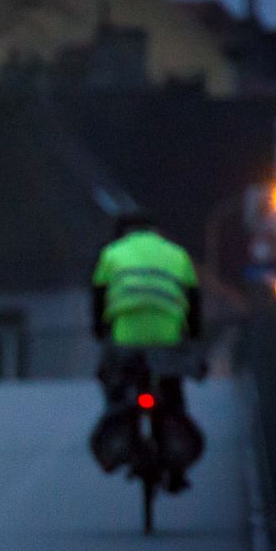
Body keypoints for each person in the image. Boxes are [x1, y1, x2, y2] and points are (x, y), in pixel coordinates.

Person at [90, 210, 204, 493]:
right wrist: (190, 333)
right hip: (167, 335)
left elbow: (98, 298)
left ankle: (120, 434)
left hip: (126, 335)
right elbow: (193, 300)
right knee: (172, 391)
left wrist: (100, 331)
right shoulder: (177, 254)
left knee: (115, 380)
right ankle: (176, 466)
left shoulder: (112, 253)